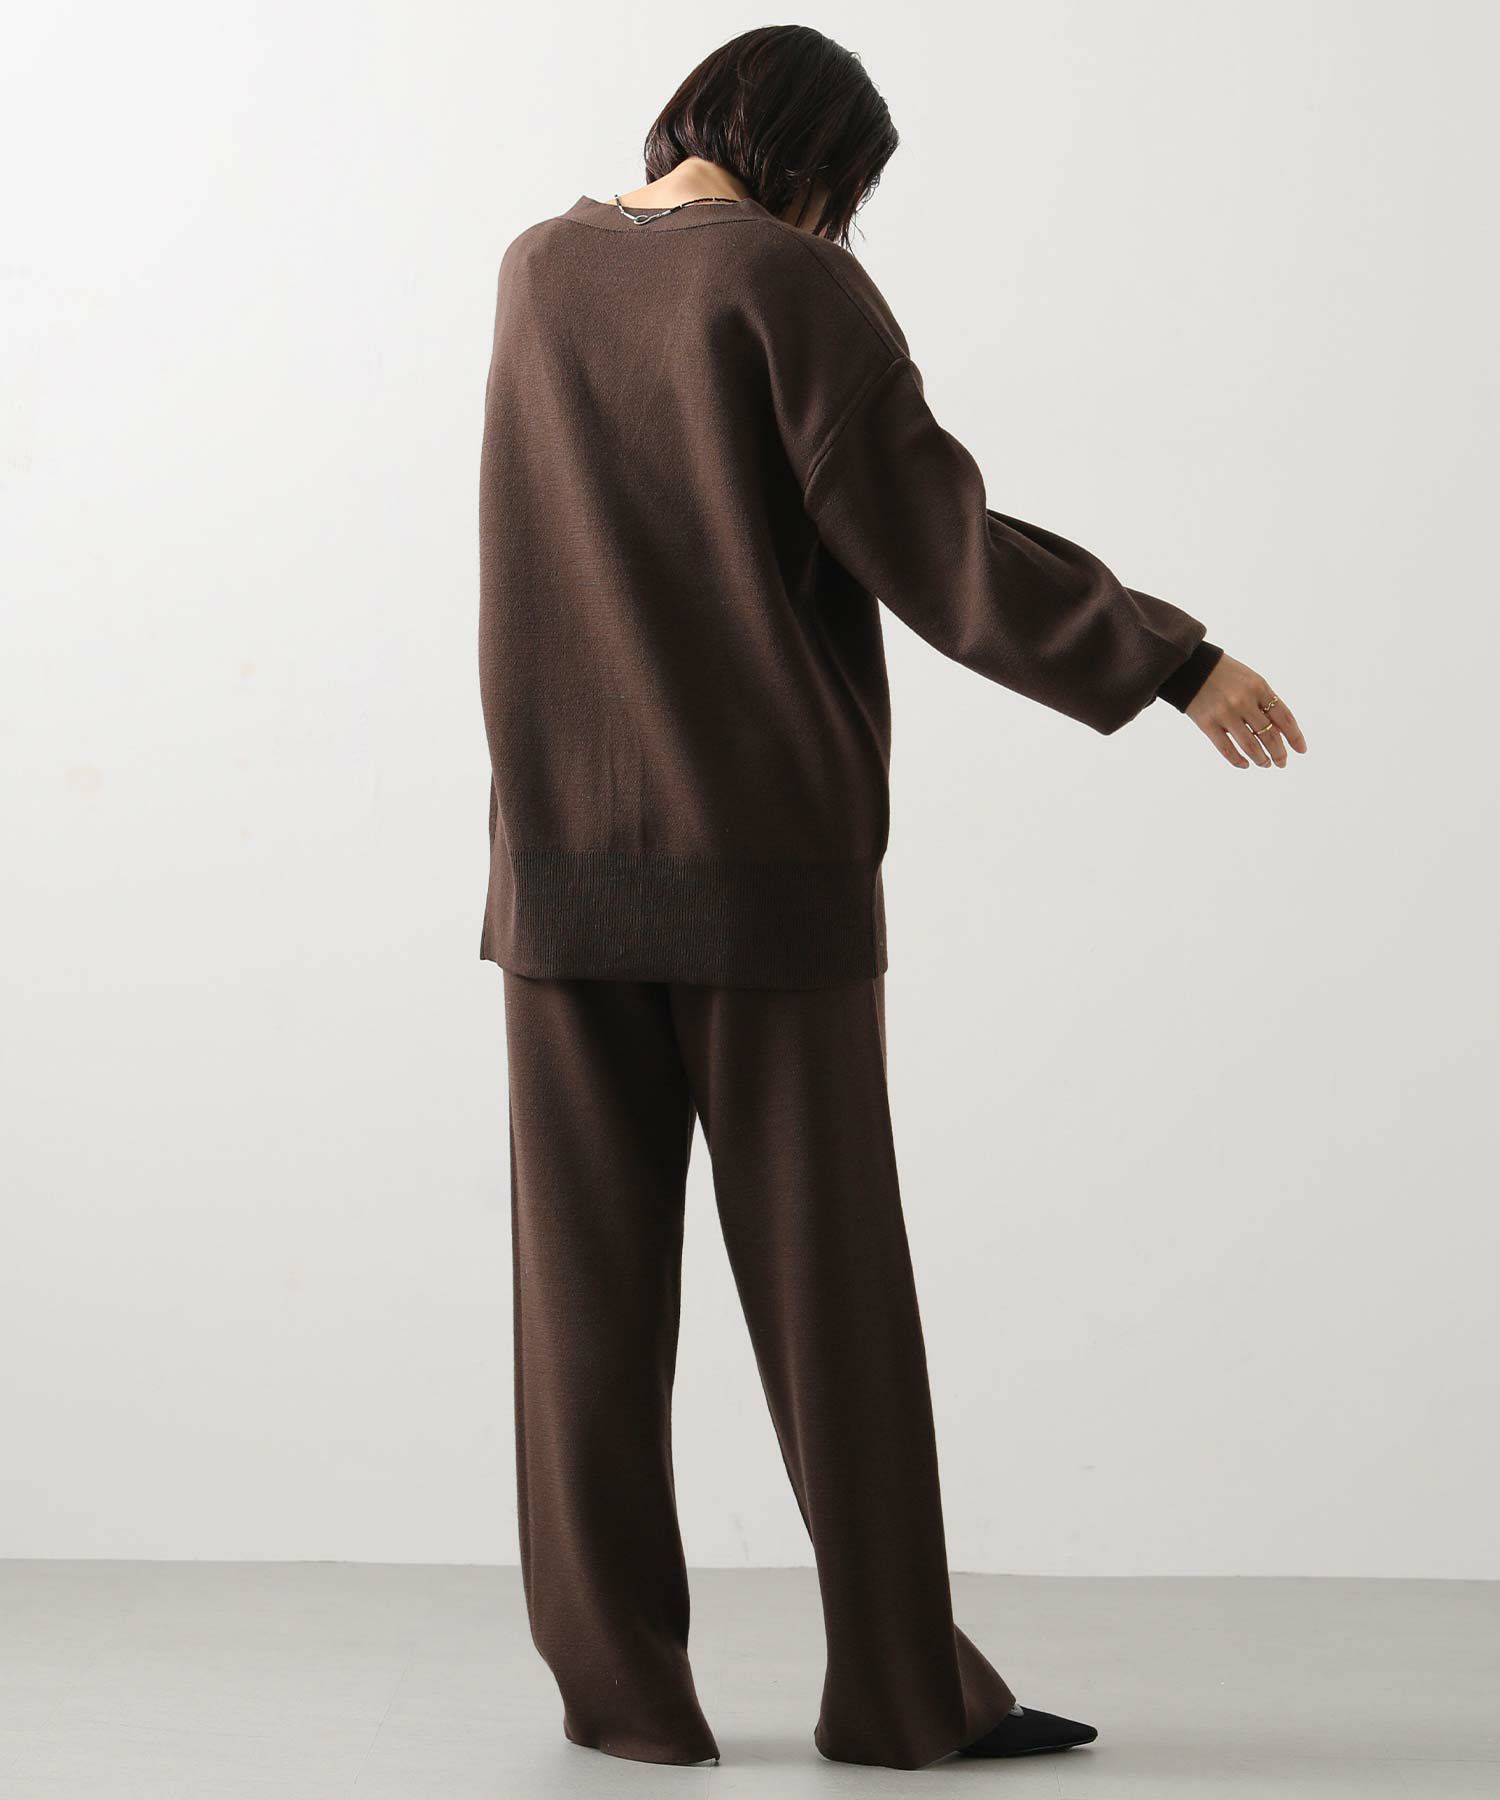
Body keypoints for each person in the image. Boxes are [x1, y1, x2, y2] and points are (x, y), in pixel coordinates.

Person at [476, 23, 1306, 1775]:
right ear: (817, 156)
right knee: (832, 1301)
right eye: (848, 188)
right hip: (764, 875)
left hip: (557, 874)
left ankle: (624, 1702)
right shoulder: (788, 285)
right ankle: (899, 1697)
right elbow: (940, 542)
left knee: (582, 1322)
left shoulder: (536, 270)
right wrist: (1173, 660)